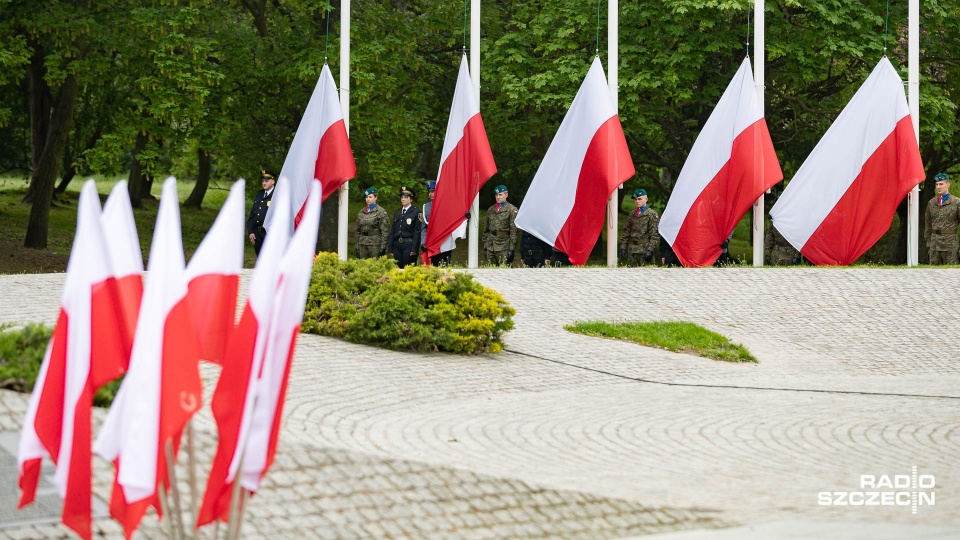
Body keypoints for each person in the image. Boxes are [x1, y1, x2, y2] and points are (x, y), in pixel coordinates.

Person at [924, 172, 960, 265]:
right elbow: (928, 225)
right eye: (936, 184)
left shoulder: (956, 202)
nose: (938, 187)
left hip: (951, 244)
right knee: (933, 273)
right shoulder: (931, 203)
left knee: (951, 273)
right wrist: (928, 244)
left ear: (948, 184)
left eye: (941, 184)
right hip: (935, 244)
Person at [618, 189, 659, 266]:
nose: (637, 201)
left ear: (646, 199)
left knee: (646, 274)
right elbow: (626, 232)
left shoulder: (651, 214)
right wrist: (623, 247)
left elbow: (655, 234)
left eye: (639, 199)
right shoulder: (632, 214)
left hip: (645, 250)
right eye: (635, 199)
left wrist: (650, 250)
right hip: (632, 251)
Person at [388, 186, 423, 268]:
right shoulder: (397, 212)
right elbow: (393, 231)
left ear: (411, 199)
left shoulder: (416, 212)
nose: (403, 199)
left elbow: (417, 232)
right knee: (398, 268)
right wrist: (390, 248)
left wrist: (414, 249)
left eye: (406, 197)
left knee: (408, 269)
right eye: (402, 197)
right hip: (397, 245)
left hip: (409, 245)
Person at [482, 185, 518, 265]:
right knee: (491, 270)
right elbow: (486, 229)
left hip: (504, 244)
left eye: (500, 195)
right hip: (490, 244)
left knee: (504, 270)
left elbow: (514, 231)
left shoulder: (512, 210)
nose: (498, 197)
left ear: (506, 195)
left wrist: (511, 249)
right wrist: (485, 246)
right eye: (496, 195)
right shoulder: (491, 210)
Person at [420, 180, 453, 266]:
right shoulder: (426, 207)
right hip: (432, 243)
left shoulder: (447, 204)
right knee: (434, 269)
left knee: (444, 267)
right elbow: (424, 227)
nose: (430, 194)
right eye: (429, 192)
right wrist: (423, 242)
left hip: (444, 242)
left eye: (433, 191)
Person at [246, 170, 276, 256]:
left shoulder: (276, 195)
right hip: (257, 234)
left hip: (268, 234)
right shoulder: (259, 194)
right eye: (263, 181)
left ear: (273, 181)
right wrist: (251, 231)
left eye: (266, 181)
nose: (264, 183)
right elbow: (252, 215)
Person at [355, 187, 389, 259]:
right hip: (363, 243)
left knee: (375, 265)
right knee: (363, 266)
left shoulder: (381, 212)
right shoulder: (362, 212)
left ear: (376, 197)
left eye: (370, 197)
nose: (368, 199)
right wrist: (357, 246)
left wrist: (383, 247)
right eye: (366, 197)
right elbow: (357, 230)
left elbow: (385, 231)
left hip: (375, 244)